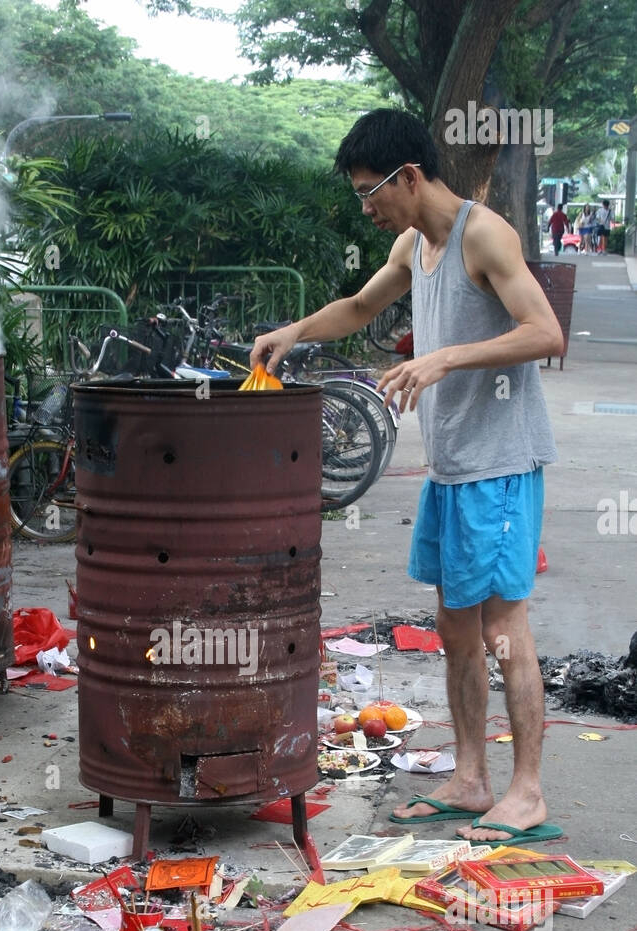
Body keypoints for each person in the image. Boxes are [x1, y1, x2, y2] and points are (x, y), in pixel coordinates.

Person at [250, 109, 564, 846]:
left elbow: (545, 332)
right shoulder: (411, 244)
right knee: (456, 626)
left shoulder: (482, 234)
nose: (366, 207)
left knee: (503, 627)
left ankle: (526, 791)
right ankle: (469, 776)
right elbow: (362, 306)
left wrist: (443, 357)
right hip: (451, 468)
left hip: (501, 465)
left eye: (370, 191)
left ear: (410, 177)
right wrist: (294, 332)